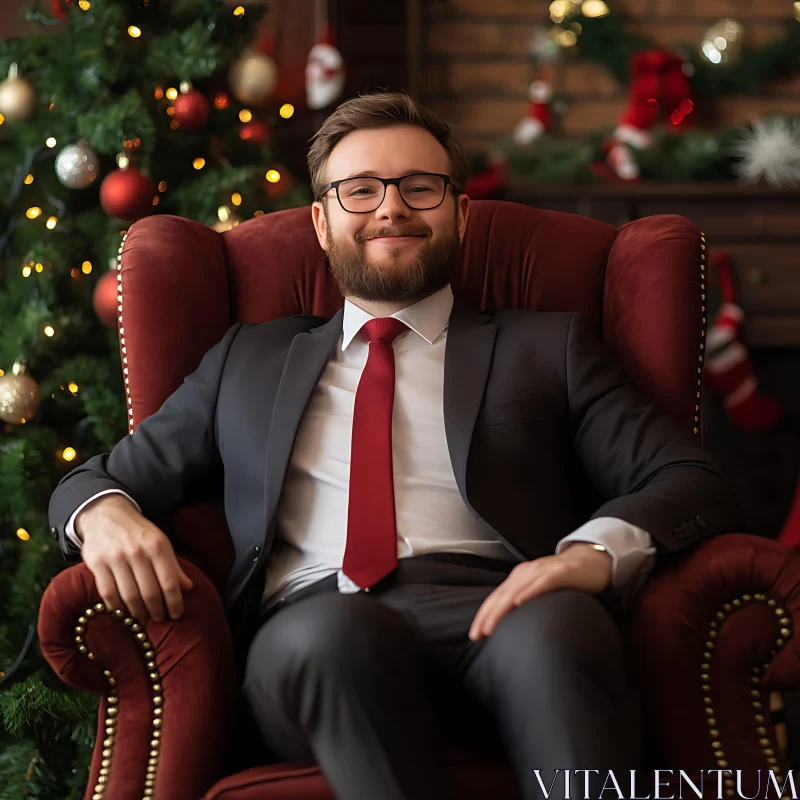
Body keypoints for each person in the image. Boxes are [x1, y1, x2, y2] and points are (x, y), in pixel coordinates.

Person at [48, 91, 744, 800]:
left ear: (460, 213)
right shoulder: (250, 360)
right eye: (360, 191)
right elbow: (96, 480)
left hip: (505, 611)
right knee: (340, 638)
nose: (391, 209)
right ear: (320, 222)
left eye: (421, 187)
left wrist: (592, 556)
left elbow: (690, 477)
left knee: (561, 631)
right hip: (315, 627)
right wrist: (104, 513)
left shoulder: (547, 346)